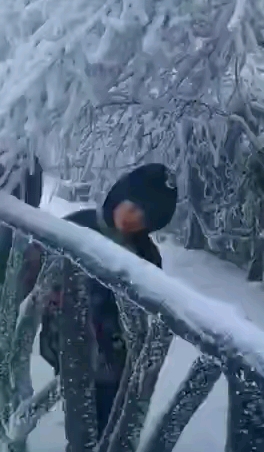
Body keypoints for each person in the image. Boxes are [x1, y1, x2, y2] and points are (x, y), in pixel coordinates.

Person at [33, 163, 177, 437]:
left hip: (115, 357)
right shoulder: (78, 225)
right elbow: (39, 267)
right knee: (79, 417)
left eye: (145, 218)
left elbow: (152, 303)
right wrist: (50, 295)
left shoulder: (146, 254)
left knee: (107, 421)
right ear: (120, 195)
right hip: (68, 343)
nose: (134, 218)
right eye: (133, 207)